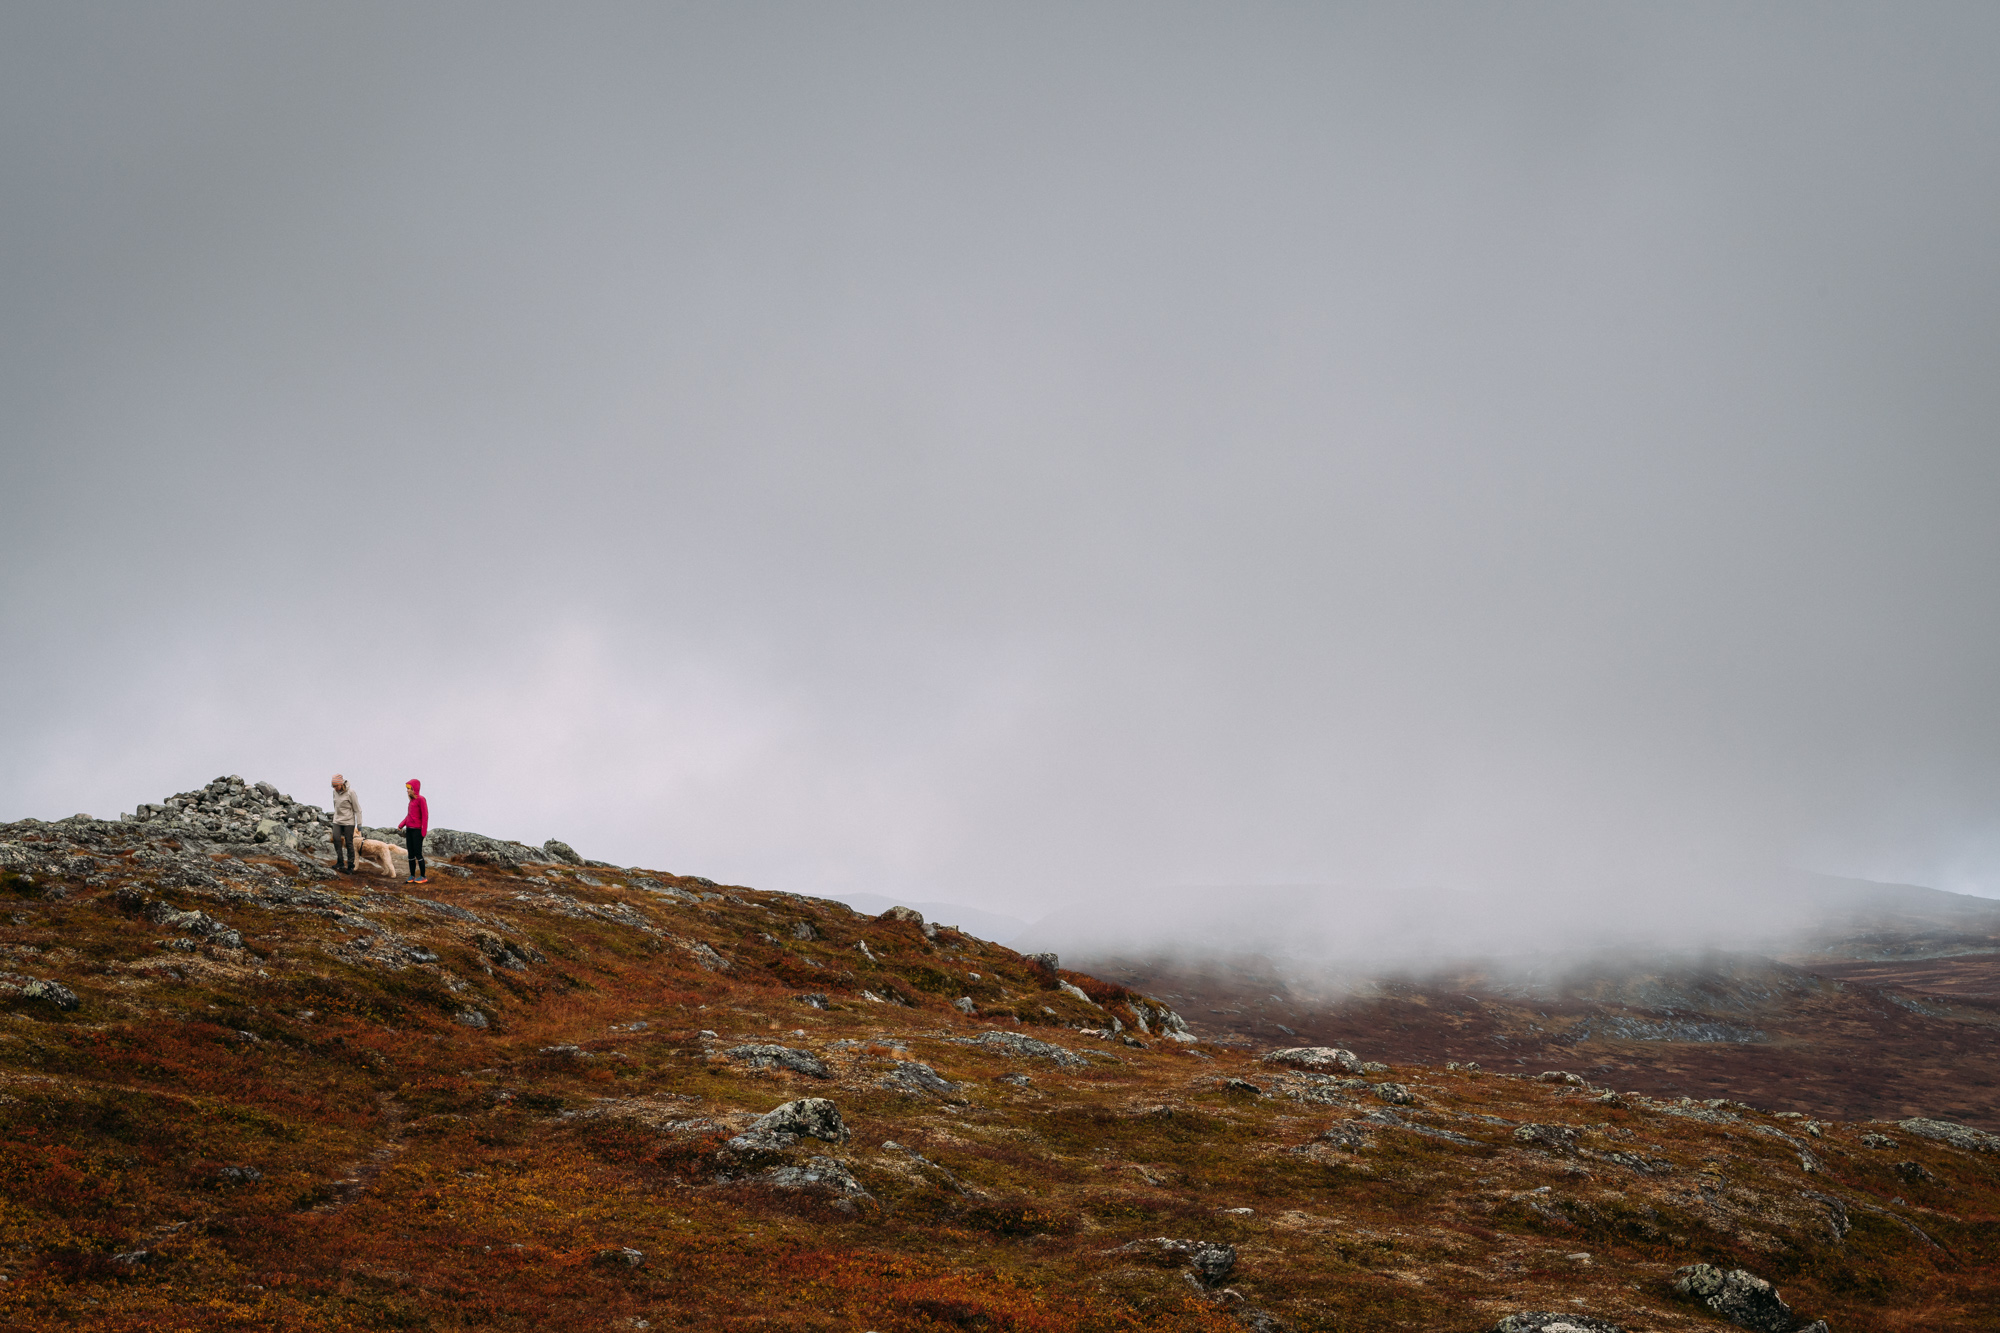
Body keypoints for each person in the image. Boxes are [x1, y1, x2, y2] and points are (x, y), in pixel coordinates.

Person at [398, 778, 430, 885]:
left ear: (414, 788)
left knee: (418, 854)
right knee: (410, 854)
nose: (407, 790)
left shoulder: (421, 799)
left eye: (409, 788)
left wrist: (423, 832)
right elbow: (409, 816)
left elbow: (425, 816)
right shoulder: (411, 801)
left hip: (417, 831)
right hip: (409, 830)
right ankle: (412, 875)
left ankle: (423, 876)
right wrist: (402, 824)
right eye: (406, 788)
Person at [330, 774, 362, 873]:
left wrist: (359, 824)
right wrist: (336, 816)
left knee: (349, 843)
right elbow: (335, 806)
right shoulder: (334, 792)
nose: (335, 788)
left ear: (341, 784)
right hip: (337, 820)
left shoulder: (351, 793)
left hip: (348, 821)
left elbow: (357, 809)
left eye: (336, 786)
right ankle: (340, 862)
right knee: (336, 839)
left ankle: (351, 865)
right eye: (333, 786)